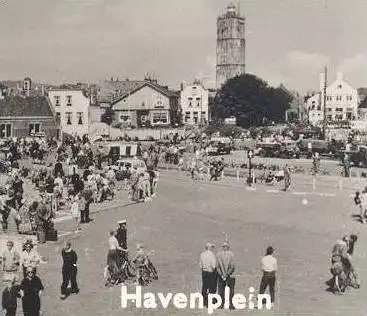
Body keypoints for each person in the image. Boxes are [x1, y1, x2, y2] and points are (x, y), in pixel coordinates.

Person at [216, 241, 235, 309]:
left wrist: (223, 274)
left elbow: (217, 267)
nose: (225, 248)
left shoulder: (219, 254)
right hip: (230, 275)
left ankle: (222, 304)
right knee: (230, 291)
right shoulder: (231, 254)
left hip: (224, 275)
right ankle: (230, 305)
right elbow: (232, 266)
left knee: (221, 290)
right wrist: (226, 274)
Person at [199, 242, 217, 307]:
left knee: (204, 287)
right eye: (212, 247)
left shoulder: (202, 254)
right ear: (209, 248)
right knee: (211, 287)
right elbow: (213, 265)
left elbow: (200, 265)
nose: (212, 248)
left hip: (204, 272)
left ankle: (204, 301)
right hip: (210, 272)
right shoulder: (211, 255)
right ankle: (210, 302)